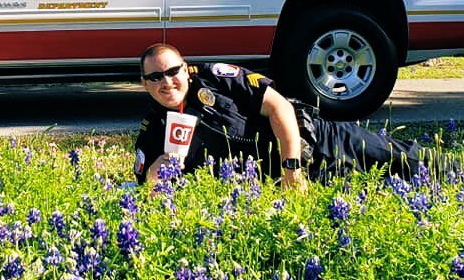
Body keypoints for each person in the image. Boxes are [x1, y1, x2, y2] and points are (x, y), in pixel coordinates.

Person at [134, 43, 426, 188]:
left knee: (408, 163)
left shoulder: (214, 77)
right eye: (156, 76)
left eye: (173, 71)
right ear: (144, 83)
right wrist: (153, 174)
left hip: (314, 142)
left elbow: (280, 107)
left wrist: (291, 170)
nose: (167, 81)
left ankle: (461, 173)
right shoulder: (153, 130)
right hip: (279, 183)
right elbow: (144, 187)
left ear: (185, 69)